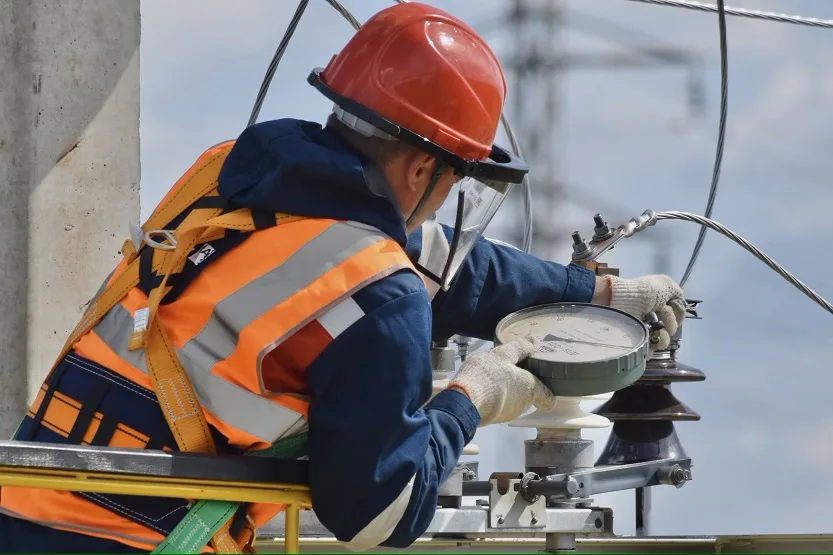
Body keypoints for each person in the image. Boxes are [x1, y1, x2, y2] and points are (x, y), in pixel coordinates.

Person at [0, 2, 685, 553]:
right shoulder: (376, 290)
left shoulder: (232, 176)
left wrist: (591, 293)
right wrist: (473, 396)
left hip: (23, 499)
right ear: (422, 171)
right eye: (454, 180)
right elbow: (380, 512)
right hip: (131, 536)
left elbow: (448, 266)